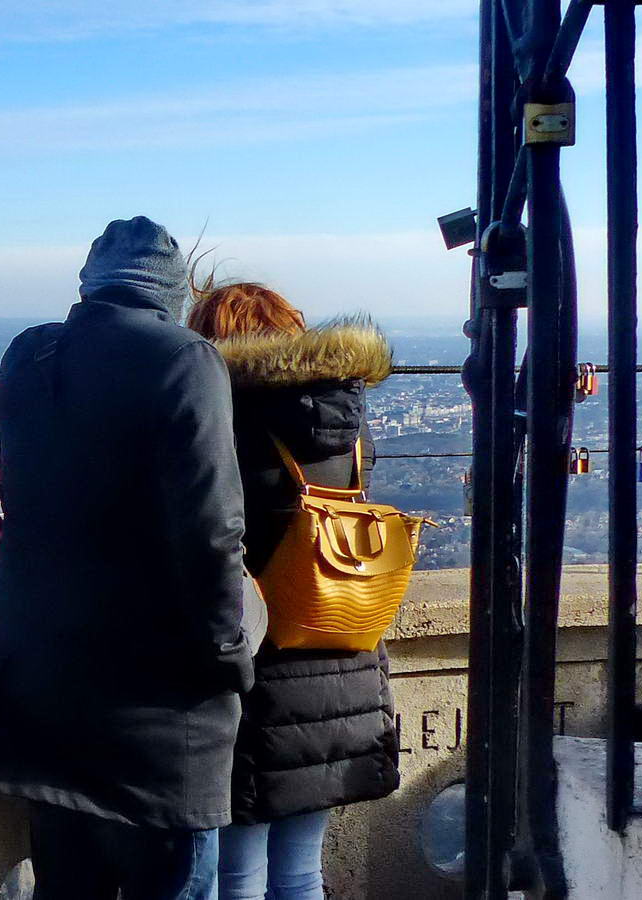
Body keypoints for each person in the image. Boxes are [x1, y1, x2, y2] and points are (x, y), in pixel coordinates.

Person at [0, 216, 251, 900]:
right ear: (172, 288)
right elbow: (213, 533)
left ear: (88, 281)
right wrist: (230, 657)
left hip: (45, 705)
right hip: (159, 725)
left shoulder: (29, 357)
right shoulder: (185, 360)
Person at [183, 280, 399, 900]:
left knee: (238, 870)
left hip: (263, 672)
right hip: (347, 660)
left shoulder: (229, 428)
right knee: (302, 869)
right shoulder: (349, 428)